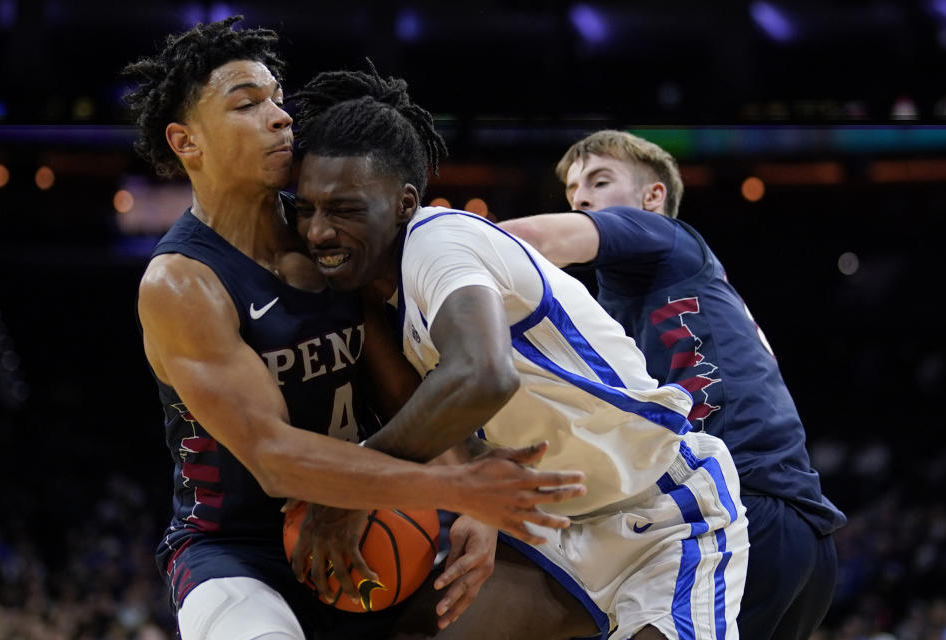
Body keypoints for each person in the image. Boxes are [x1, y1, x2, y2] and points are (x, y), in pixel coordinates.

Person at [124, 17, 587, 640]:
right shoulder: (182, 284)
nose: (280, 117)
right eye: (248, 104)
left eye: (278, 100)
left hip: (376, 518)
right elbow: (274, 459)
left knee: (568, 607)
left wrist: (471, 478)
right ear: (186, 142)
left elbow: (398, 384)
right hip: (240, 550)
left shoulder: (325, 230)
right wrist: (456, 487)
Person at [291, 65, 750, 640]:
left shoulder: (438, 241)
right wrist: (475, 505)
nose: (318, 231)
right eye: (305, 209)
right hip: (547, 524)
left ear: (404, 203)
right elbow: (449, 422)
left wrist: (358, 484)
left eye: (344, 209)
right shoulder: (383, 303)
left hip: (660, 505)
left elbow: (483, 377)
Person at [499, 130, 848, 640]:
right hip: (796, 533)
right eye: (574, 192)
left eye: (599, 181)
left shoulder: (666, 240)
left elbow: (529, 241)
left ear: (652, 197)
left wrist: (425, 253)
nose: (582, 199)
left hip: (741, 510)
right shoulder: (612, 307)